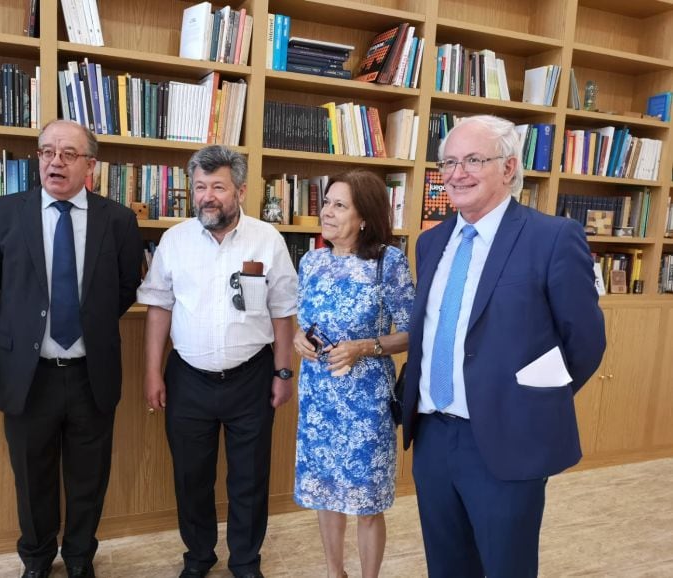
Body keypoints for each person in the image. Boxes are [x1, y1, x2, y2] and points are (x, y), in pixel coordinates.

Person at [402, 115, 606, 578]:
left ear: (509, 167)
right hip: (433, 436)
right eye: (448, 162)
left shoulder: (552, 237)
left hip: (509, 438)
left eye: (473, 160)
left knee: (505, 568)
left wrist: (530, 401)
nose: (457, 173)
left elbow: (585, 341)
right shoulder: (430, 243)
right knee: (447, 566)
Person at [0, 120, 143, 578]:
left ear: (90, 165)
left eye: (69, 154)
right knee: (32, 480)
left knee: (88, 479)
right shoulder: (4, 213)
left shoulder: (118, 220)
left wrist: (87, 323)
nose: (56, 161)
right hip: (27, 375)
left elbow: (126, 287)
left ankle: (78, 559)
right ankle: (35, 559)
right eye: (47, 151)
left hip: (92, 372)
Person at [138, 145, 297, 578]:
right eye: (201, 187)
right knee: (192, 478)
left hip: (252, 377)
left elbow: (284, 311)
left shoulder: (268, 240)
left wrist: (284, 372)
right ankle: (199, 556)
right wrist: (153, 371)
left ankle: (246, 561)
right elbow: (158, 307)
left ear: (241, 191)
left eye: (218, 187)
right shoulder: (174, 240)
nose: (207, 196)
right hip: (188, 378)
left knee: (249, 480)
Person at [292, 169, 416, 578]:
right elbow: (302, 322)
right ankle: (334, 572)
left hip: (365, 405)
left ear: (364, 216)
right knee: (326, 495)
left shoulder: (388, 263)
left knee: (366, 503)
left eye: (339, 205)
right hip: (318, 399)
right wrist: (297, 338)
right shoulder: (312, 260)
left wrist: (365, 347)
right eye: (326, 202)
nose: (326, 211)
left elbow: (413, 332)